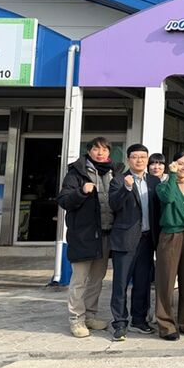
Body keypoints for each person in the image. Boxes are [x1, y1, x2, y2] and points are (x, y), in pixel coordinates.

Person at [57, 137, 119, 338]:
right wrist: (81, 192)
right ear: (89, 151)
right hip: (84, 235)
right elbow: (64, 200)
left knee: (97, 279)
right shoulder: (76, 173)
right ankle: (76, 319)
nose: (100, 153)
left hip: (106, 235)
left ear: (109, 152)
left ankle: (90, 316)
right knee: (79, 280)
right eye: (96, 149)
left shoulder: (114, 172)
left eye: (104, 149)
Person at [107, 143, 162, 342]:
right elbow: (114, 205)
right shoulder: (119, 180)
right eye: (135, 157)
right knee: (120, 283)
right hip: (125, 240)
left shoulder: (154, 181)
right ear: (128, 159)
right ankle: (120, 322)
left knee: (143, 283)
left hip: (147, 240)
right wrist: (126, 188)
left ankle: (139, 320)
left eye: (143, 157)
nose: (139, 160)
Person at [155, 151, 184, 341]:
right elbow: (168, 198)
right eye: (181, 164)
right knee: (166, 280)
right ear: (173, 164)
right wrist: (172, 175)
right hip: (170, 235)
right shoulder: (164, 185)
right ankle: (166, 324)